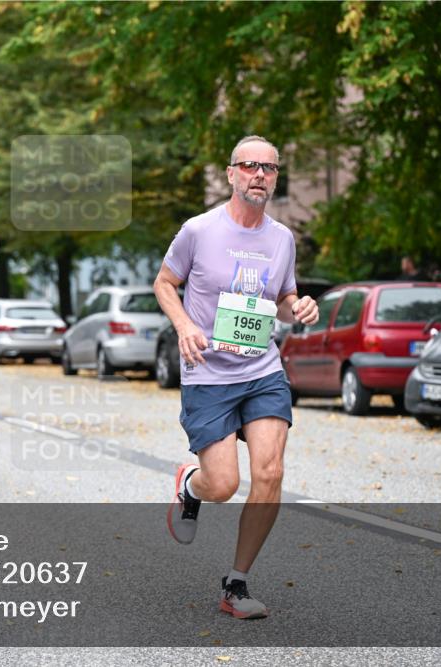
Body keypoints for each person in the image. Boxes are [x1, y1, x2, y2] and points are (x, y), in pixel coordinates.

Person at [154, 135, 318, 620]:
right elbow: (165, 283)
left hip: (262, 369)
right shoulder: (199, 231)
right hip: (208, 374)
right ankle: (191, 485)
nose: (260, 175)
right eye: (249, 166)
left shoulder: (282, 239)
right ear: (231, 174)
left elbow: (284, 301)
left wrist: (299, 307)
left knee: (270, 472)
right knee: (224, 484)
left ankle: (237, 583)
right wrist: (184, 325)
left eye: (269, 168)